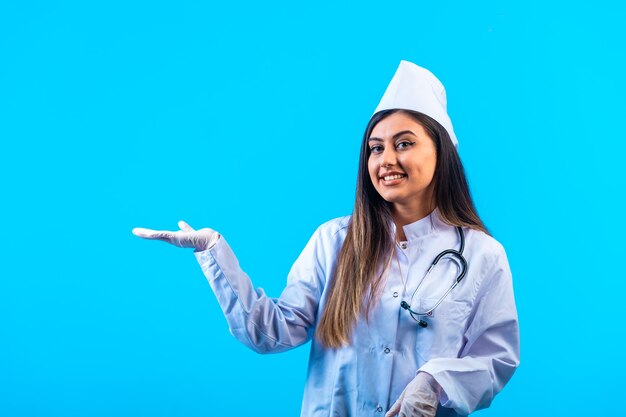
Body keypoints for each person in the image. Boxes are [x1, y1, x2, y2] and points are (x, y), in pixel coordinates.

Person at [132, 60, 520, 417]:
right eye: (375, 148)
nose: (386, 160)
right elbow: (272, 332)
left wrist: (435, 382)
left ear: (442, 152)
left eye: (404, 143)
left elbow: (496, 358)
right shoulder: (333, 241)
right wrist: (214, 252)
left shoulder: (483, 255)